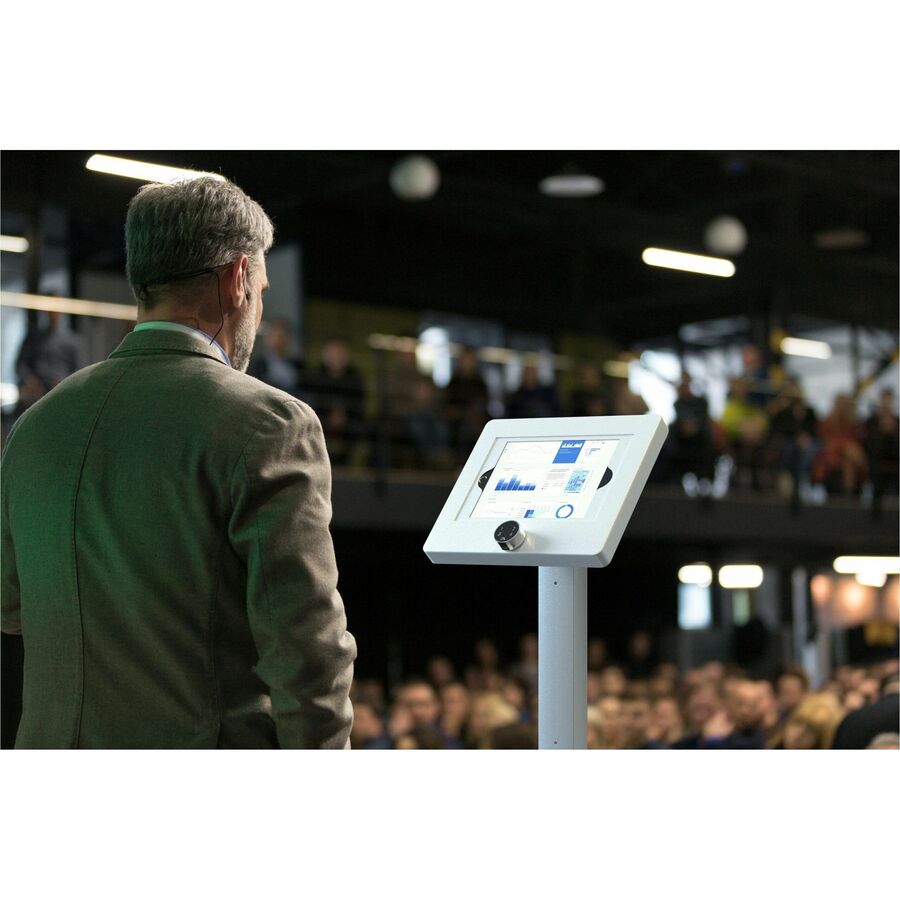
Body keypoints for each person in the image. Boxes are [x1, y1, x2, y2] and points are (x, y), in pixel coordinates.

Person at [0, 176, 356, 749]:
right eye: (261, 290)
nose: (259, 308)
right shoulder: (270, 423)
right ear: (238, 279)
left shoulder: (35, 426)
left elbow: (11, 604)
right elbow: (307, 652)